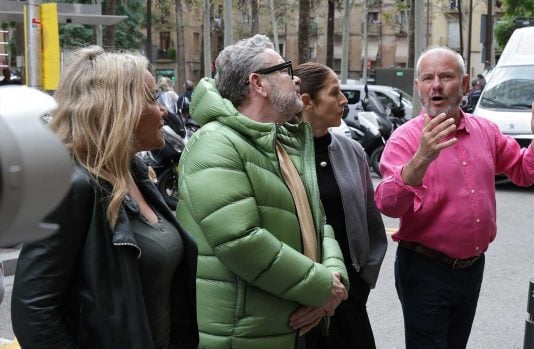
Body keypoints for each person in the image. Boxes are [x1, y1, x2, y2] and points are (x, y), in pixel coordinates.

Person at [374, 46, 534, 349]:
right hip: (424, 270)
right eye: (427, 78)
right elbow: (388, 203)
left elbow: (523, 171)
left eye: (446, 76)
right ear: (418, 87)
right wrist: (421, 158)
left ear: (464, 85)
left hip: (471, 268)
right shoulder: (406, 139)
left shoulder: (485, 131)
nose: (436, 85)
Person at [11, 46, 199, 349]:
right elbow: (33, 312)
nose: (164, 110)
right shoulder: (73, 185)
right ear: (119, 109)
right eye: (152, 98)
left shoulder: (135, 172)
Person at [176, 34, 349, 349]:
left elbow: (319, 221)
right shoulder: (216, 143)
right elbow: (241, 240)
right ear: (258, 84)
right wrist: (323, 287)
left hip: (286, 328)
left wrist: (334, 284)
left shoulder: (281, 142)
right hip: (243, 337)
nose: (296, 79)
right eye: (284, 69)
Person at [295, 62, 387, 349]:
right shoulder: (279, 154)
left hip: (349, 299)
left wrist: (358, 287)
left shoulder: (353, 151)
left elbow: (372, 224)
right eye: (335, 93)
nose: (344, 100)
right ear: (307, 102)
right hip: (300, 306)